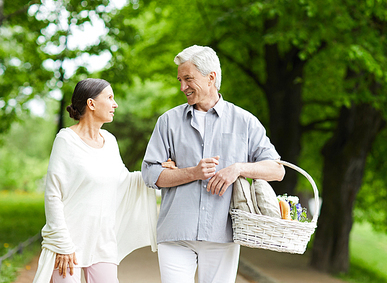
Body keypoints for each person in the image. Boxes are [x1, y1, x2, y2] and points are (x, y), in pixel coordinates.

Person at [141, 45, 285, 283]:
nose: (182, 87)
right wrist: (193, 172)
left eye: (188, 79)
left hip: (223, 234)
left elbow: (277, 169)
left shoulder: (245, 122)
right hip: (176, 232)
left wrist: (238, 168)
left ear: (211, 78)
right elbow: (150, 173)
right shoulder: (168, 121)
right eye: (180, 80)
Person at [33, 78, 158, 283]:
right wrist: (63, 243)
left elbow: (123, 181)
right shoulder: (66, 140)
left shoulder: (109, 141)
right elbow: (53, 194)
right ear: (91, 104)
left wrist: (157, 171)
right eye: (109, 98)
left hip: (102, 241)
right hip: (68, 243)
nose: (115, 104)